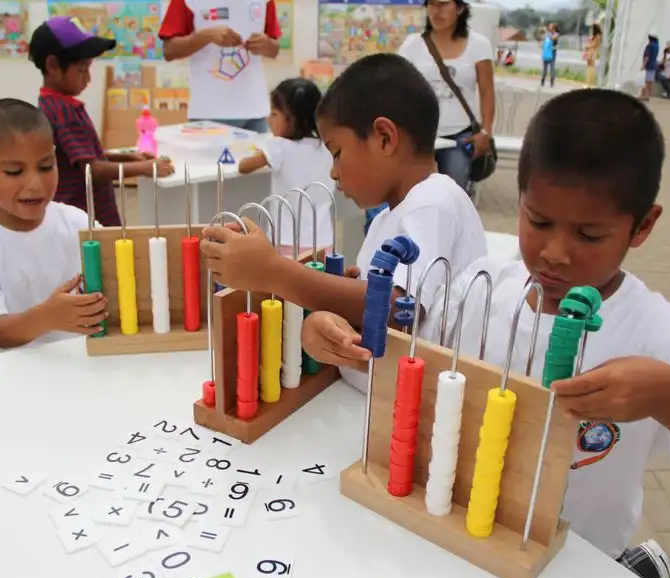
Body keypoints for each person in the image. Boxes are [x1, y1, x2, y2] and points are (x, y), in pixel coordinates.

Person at [300, 89, 670, 578]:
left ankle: (642, 566)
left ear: (643, 226)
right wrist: (319, 330)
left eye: (589, 235)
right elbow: (398, 349)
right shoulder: (482, 289)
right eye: (538, 222)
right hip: (452, 542)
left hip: (576, 566)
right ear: (519, 201)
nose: (556, 253)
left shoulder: (657, 334)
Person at [201, 53, 487, 392]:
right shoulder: (386, 218)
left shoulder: (434, 200)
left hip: (413, 414)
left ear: (384, 137)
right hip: (375, 403)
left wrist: (273, 271)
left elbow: (397, 310)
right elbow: (371, 317)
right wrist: (328, 319)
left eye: (337, 152)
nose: (334, 172)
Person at [0, 99, 108, 360]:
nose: (35, 184)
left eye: (45, 167)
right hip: (1, 376)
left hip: (71, 368)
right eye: (14, 171)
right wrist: (48, 317)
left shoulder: (77, 222)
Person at [29, 16, 173, 227]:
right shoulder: (64, 112)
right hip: (86, 221)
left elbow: (81, 159)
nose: (88, 79)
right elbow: (92, 169)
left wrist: (129, 157)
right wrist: (147, 167)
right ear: (53, 65)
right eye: (82, 69)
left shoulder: (55, 105)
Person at [397, 0, 496, 193]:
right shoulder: (412, 45)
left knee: (454, 194)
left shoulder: (479, 45)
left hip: (461, 136)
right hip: (421, 136)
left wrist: (486, 132)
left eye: (443, 4)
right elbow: (398, 86)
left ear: (459, 8)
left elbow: (487, 92)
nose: (436, 11)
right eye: (431, 5)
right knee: (417, 196)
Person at [238, 78, 335, 252]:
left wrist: (265, 147)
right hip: (322, 240)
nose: (268, 120)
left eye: (274, 114)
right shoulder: (326, 146)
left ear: (292, 119)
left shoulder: (279, 146)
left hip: (286, 241)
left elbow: (244, 166)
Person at [159, 0, 283, 132]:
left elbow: (274, 49)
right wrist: (206, 36)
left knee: (257, 153)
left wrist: (267, 45)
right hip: (208, 114)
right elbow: (169, 50)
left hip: (256, 113)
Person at [639, 32, 660, 101]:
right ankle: (647, 95)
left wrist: (643, 65)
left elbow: (647, 57)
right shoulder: (657, 45)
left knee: (647, 81)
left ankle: (646, 95)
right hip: (654, 65)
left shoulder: (650, 46)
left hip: (649, 65)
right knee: (650, 81)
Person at [541, 23, 559, 88]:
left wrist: (547, 33)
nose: (550, 29)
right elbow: (543, 41)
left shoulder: (556, 34)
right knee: (544, 69)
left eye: (551, 28)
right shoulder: (547, 34)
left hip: (552, 53)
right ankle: (542, 81)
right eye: (549, 28)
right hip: (546, 52)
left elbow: (553, 38)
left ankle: (552, 82)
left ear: (554, 28)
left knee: (552, 68)